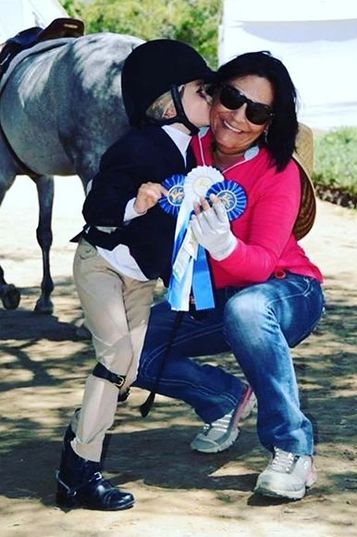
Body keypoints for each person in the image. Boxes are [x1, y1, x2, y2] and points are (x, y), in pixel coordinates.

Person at [134, 50, 325, 501]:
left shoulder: (280, 172)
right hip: (214, 296)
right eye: (233, 98)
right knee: (127, 343)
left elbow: (260, 264)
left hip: (286, 291)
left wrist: (224, 245)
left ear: (269, 123)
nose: (239, 116)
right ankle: (221, 399)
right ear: (214, 92)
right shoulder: (186, 144)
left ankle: (293, 448)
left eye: (256, 111)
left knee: (248, 307)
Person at [55, 39, 214, 511]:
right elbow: (95, 207)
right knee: (115, 357)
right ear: (167, 102)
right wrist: (135, 204)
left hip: (140, 280)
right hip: (101, 264)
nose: (213, 98)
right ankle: (80, 471)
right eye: (202, 90)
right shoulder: (136, 145)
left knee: (127, 372)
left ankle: (77, 443)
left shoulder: (196, 158)